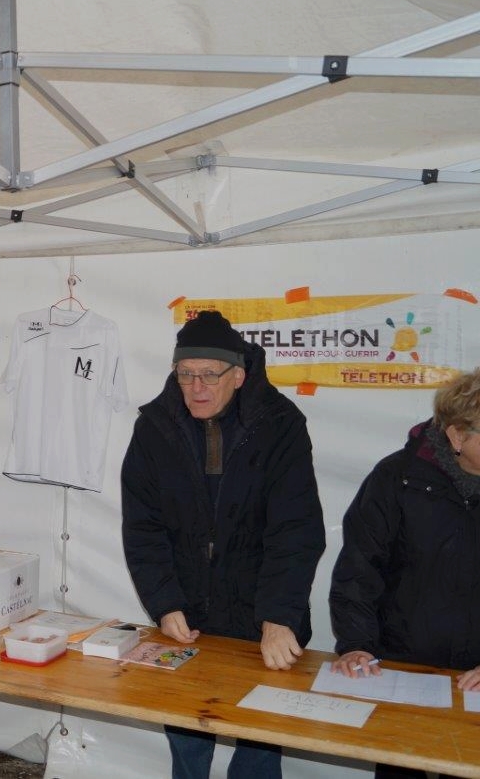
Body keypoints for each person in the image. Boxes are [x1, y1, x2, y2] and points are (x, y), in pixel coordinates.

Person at [121, 310, 325, 779]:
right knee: (188, 743)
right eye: (186, 374)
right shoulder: (154, 427)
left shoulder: (280, 424)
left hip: (262, 613)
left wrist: (278, 617)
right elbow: (143, 527)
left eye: (209, 375)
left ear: (238, 374)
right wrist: (165, 602)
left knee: (258, 745)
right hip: (189, 614)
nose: (197, 388)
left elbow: (296, 529)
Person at [329, 367, 480, 779]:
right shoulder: (396, 479)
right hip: (403, 672)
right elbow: (360, 568)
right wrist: (357, 645)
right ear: (456, 436)